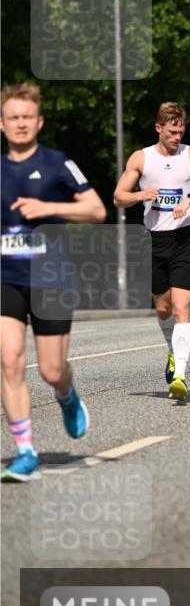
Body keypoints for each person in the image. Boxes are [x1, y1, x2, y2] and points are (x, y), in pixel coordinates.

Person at [1, 83, 106, 481]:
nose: (21, 123)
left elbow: (96, 209)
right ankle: (25, 452)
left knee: (50, 369)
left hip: (51, 277)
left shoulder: (59, 163)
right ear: (2, 123)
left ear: (39, 121)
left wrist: (48, 207)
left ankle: (66, 392)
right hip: (5, 276)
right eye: (14, 117)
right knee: (8, 359)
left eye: (27, 117)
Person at [114, 101, 190, 402]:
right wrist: (140, 194)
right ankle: (173, 352)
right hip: (153, 240)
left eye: (181, 131)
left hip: (185, 238)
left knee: (181, 309)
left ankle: (181, 375)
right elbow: (118, 197)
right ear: (158, 128)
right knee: (162, 309)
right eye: (172, 131)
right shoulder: (142, 158)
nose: (177, 137)